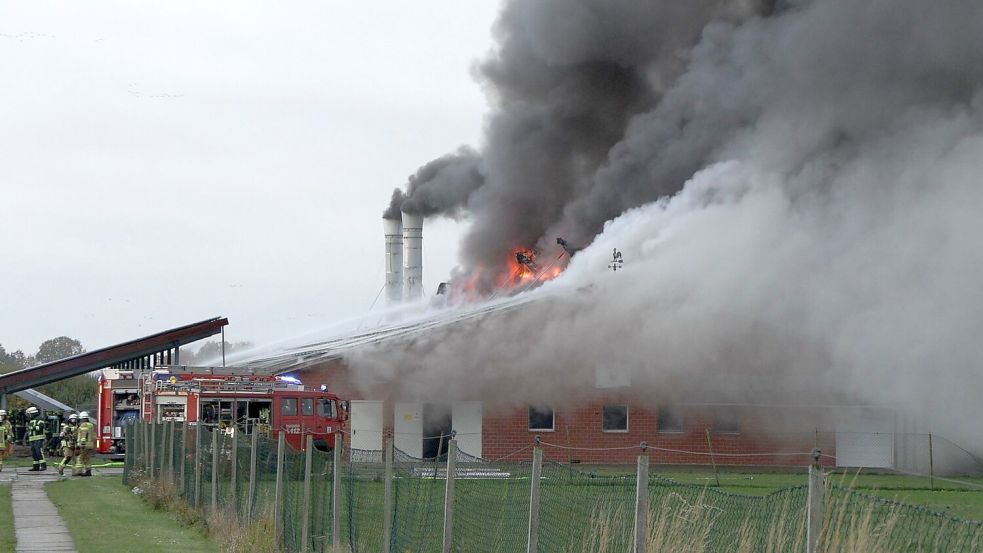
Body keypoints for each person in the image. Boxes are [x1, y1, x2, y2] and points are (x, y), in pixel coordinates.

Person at [73, 411, 96, 477]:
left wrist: (81, 444)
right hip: (90, 445)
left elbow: (84, 434)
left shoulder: (84, 425)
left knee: (79, 458)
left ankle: (78, 471)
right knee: (87, 458)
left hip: (84, 445)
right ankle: (88, 471)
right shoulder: (91, 425)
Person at [26, 406, 47, 471]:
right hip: (32, 439)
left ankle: (43, 466)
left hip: (39, 438)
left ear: (32, 413)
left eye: (29, 414)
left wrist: (32, 428)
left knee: (39, 452)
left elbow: (41, 427)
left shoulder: (39, 418)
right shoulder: (32, 420)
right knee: (34, 453)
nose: (28, 415)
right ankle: (36, 466)